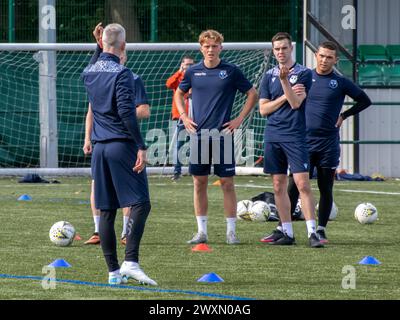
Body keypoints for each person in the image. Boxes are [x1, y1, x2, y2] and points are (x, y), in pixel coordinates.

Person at [81, 23, 157, 286]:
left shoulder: (89, 71)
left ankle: (113, 272)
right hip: (121, 145)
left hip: (99, 149)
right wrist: (141, 145)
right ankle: (131, 262)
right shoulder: (123, 73)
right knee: (141, 203)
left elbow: (95, 63)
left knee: (106, 211)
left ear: (102, 43)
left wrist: (97, 45)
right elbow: (127, 112)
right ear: (123, 46)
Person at [175, 29, 258, 245]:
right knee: (199, 183)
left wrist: (239, 120)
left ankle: (231, 232)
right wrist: (184, 116)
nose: (211, 50)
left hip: (223, 136)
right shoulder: (193, 72)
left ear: (220, 47)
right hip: (199, 135)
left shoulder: (231, 71)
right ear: (201, 48)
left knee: (227, 183)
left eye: (214, 46)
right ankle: (201, 232)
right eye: (207, 46)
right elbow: (178, 93)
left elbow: (252, 93)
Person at [286, 41, 372, 244]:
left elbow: (365, 100)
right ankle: (286, 227)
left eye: (329, 57)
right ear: (316, 55)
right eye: (322, 55)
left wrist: (344, 115)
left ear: (335, 60)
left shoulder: (340, 82)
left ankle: (321, 229)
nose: (324, 60)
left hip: (328, 144)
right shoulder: (304, 76)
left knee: (326, 187)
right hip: (303, 142)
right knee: (293, 186)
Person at [258, 32, 323, 247]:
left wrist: (285, 82)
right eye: (277, 49)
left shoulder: (304, 73)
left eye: (284, 48)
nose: (280, 52)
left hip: (295, 135)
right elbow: (263, 110)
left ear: (291, 48)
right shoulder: (268, 75)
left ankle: (312, 233)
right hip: (273, 135)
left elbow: (296, 104)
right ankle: (287, 232)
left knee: (302, 183)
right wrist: (285, 94)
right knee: (278, 185)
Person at [166, 55, 195, 181]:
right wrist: (179, 72)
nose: (189, 67)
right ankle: (177, 171)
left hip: (196, 116)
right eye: (187, 64)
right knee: (179, 145)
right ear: (182, 65)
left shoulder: (197, 76)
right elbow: (169, 84)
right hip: (182, 117)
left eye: (191, 64)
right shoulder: (179, 78)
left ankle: (195, 169)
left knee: (197, 144)